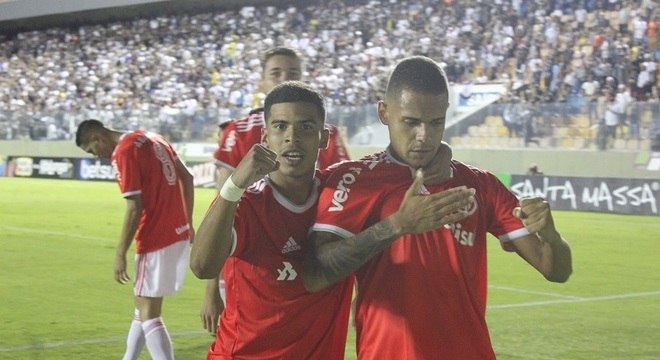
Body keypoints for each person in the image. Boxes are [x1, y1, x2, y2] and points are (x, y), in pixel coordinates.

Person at [302, 56, 573, 359]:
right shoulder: (353, 180)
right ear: (384, 112)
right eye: (411, 122)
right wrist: (397, 225)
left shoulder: (480, 185)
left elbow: (556, 271)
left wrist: (551, 236)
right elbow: (317, 271)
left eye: (436, 123)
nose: (424, 136)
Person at [189, 81, 355, 359]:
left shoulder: (344, 195)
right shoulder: (248, 204)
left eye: (305, 127)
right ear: (265, 137)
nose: (292, 137)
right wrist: (233, 186)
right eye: (280, 126)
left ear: (323, 138)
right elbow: (202, 266)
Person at [75, 119, 194, 360]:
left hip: (155, 237)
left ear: (99, 138)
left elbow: (134, 207)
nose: (96, 156)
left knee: (149, 312)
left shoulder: (124, 151)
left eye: (92, 150)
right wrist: (188, 222)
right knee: (143, 307)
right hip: (178, 232)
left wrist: (120, 252)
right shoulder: (153, 137)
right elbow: (188, 177)